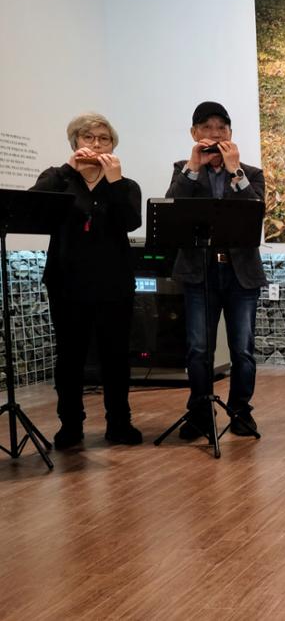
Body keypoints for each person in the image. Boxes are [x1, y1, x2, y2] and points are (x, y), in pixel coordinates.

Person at [30, 113, 143, 448]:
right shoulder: (57, 178)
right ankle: (70, 425)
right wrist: (68, 170)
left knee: (115, 357)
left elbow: (130, 222)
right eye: (88, 138)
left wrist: (115, 182)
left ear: (113, 145)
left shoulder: (126, 185)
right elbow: (34, 209)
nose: (96, 145)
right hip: (67, 283)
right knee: (70, 357)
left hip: (114, 283)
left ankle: (119, 423)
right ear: (75, 142)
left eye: (104, 139)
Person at [166, 101, 267, 438]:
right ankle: (199, 413)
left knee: (243, 350)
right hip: (199, 273)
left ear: (230, 134)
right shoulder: (184, 170)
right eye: (206, 128)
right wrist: (193, 167)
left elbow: (256, 212)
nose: (214, 134)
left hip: (241, 275)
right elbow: (172, 209)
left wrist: (236, 172)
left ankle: (240, 411)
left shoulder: (250, 173)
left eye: (221, 128)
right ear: (194, 133)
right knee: (198, 349)